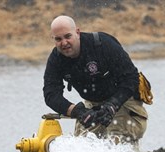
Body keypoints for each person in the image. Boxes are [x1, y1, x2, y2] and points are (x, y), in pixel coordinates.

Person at [43, 15, 149, 145]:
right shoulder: (56, 59)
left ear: (77, 32)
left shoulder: (102, 44)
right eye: (58, 39)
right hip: (91, 105)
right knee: (81, 147)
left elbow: (131, 78)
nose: (64, 43)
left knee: (115, 144)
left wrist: (112, 105)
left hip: (123, 101)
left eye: (67, 36)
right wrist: (78, 111)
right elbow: (51, 95)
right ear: (53, 39)